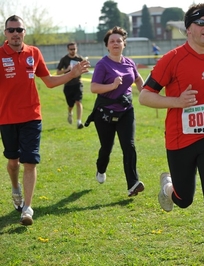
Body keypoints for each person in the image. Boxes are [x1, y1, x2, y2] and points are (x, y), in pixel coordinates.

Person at [139, 3, 204, 266]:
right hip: (179, 139)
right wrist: (177, 101)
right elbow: (145, 96)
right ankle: (168, 186)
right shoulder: (172, 59)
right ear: (188, 29)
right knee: (184, 200)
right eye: (202, 22)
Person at [0, 15, 90, 226]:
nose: (15, 33)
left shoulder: (34, 53)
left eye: (19, 29)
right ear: (5, 33)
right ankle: (15, 189)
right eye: (11, 30)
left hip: (32, 116)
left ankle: (27, 208)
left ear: (24, 32)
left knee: (29, 161)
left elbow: (49, 81)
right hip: (7, 118)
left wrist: (73, 73)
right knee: (13, 163)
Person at [85, 26, 145, 197]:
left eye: (119, 40)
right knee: (107, 147)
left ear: (124, 44)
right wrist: (112, 85)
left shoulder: (129, 63)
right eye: (112, 41)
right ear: (107, 45)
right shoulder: (103, 64)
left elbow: (138, 79)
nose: (116, 43)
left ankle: (133, 184)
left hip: (126, 110)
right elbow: (94, 87)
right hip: (105, 113)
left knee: (129, 146)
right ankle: (101, 168)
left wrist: (147, 93)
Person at [56, 42, 85, 129]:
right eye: (71, 49)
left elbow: (85, 69)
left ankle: (79, 122)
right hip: (68, 85)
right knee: (70, 105)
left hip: (78, 83)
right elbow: (58, 72)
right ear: (68, 49)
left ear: (77, 49)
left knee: (78, 102)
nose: (73, 51)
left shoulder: (80, 59)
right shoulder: (64, 59)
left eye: (74, 49)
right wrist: (67, 69)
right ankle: (70, 113)